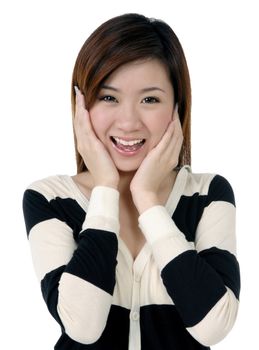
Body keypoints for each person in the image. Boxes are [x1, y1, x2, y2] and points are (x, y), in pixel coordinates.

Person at [22, 13, 240, 350]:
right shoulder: (50, 198)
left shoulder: (207, 194)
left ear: (176, 109)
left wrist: (147, 199)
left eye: (150, 99)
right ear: (82, 106)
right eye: (108, 97)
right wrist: (106, 188)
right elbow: (83, 326)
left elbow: (213, 325)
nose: (128, 121)